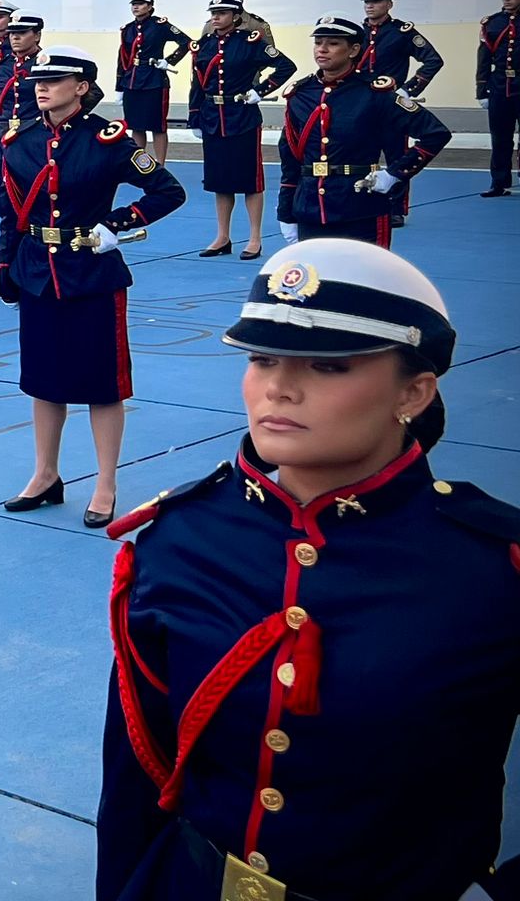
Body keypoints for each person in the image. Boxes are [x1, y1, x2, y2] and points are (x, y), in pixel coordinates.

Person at [98, 238, 520, 901]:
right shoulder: (179, 542)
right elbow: (134, 785)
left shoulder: (495, 569)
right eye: (263, 357)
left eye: (329, 366)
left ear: (414, 390)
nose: (279, 386)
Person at [0, 48, 185, 527]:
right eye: (38, 79)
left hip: (92, 274)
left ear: (81, 87)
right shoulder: (20, 140)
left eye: (55, 80)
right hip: (37, 272)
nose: (42, 86)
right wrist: (5, 264)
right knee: (42, 381)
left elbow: (168, 190)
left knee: (103, 386)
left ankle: (105, 482)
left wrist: (119, 223)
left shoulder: (110, 140)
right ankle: (45, 475)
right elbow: (10, 209)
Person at [276, 15, 450, 249]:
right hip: (310, 208)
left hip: (360, 208)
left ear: (354, 49)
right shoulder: (300, 94)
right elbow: (290, 159)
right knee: (316, 283)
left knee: (364, 283)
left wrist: (394, 174)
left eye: (333, 43)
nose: (323, 49)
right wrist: (286, 211)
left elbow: (435, 133)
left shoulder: (375, 94)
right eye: (318, 42)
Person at [188, 0, 296, 260]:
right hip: (213, 117)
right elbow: (197, 83)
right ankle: (222, 237)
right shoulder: (203, 45)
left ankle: (255, 238)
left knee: (250, 180)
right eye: (213, 13)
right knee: (220, 181)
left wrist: (260, 90)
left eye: (222, 13)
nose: (215, 17)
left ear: (236, 16)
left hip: (242, 117)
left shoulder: (250, 42)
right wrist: (194, 116)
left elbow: (285, 66)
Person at [357, 0, 443, 227]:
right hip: (361, 105)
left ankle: (396, 208)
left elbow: (433, 60)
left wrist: (408, 89)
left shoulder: (402, 32)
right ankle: (364, 200)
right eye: (367, 1)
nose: (370, 6)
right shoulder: (356, 33)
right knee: (362, 154)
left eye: (376, 1)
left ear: (389, 4)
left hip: (391, 105)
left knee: (397, 156)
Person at [115, 0, 191, 165]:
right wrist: (119, 85)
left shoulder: (160, 25)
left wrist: (169, 61)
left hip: (154, 80)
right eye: (133, 4)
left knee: (158, 125)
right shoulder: (128, 29)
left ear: (150, 7)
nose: (136, 7)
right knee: (136, 125)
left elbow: (186, 42)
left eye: (140, 4)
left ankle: (160, 164)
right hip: (132, 80)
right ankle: (139, 163)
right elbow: (123, 58)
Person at [0, 9, 42, 214]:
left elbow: (90, 94)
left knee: (35, 197)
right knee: (6, 201)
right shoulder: (1, 66)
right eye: (12, 33)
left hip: (34, 137)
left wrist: (54, 124)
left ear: (36, 35)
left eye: (22, 33)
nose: (15, 37)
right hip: (5, 137)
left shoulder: (46, 64)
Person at [477, 0, 520, 198]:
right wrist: (481, 90)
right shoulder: (493, 23)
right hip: (500, 86)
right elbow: (483, 58)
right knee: (500, 137)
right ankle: (499, 182)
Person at [199, 0, 275, 45]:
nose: (230, 3)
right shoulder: (210, 25)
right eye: (226, 0)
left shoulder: (256, 24)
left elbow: (270, 58)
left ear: (241, 0)